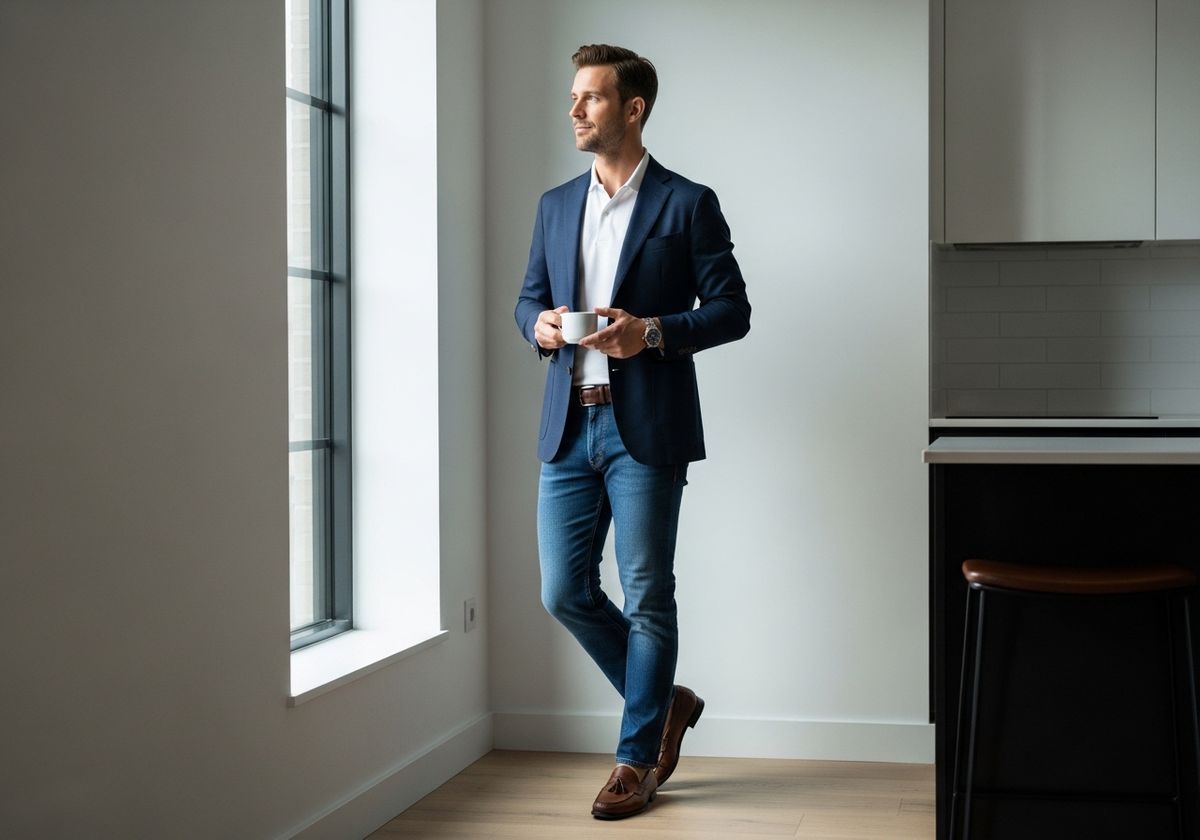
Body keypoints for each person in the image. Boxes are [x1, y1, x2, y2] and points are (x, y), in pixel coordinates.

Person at [513, 43, 751, 820]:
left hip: (644, 427)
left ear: (633, 108)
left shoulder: (687, 203)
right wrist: (542, 327)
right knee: (564, 591)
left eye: (590, 97)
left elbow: (731, 310)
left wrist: (648, 333)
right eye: (573, 97)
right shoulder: (554, 206)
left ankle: (634, 760)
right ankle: (666, 702)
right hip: (568, 427)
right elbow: (526, 303)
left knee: (648, 595)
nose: (574, 110)